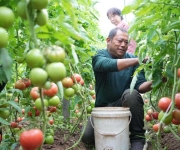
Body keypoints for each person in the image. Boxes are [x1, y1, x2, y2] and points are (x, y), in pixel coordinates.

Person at [82, 27, 152, 150]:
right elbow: (107, 65)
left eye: (126, 42)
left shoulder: (133, 59)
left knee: (132, 94)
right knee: (87, 137)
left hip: (123, 107)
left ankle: (137, 138)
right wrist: (138, 60)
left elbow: (140, 87)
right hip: (102, 109)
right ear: (108, 40)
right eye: (120, 41)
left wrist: (157, 81)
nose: (123, 45)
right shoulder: (99, 55)